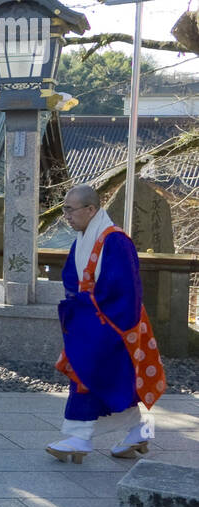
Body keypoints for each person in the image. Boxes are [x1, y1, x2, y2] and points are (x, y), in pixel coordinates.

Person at [48, 184, 165, 463]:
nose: (66, 215)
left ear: (91, 209)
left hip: (113, 323)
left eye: (70, 209)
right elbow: (71, 279)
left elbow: (125, 288)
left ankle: (80, 437)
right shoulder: (85, 238)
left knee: (86, 374)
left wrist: (102, 320)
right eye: (64, 209)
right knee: (112, 379)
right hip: (92, 320)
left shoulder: (116, 241)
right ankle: (137, 429)